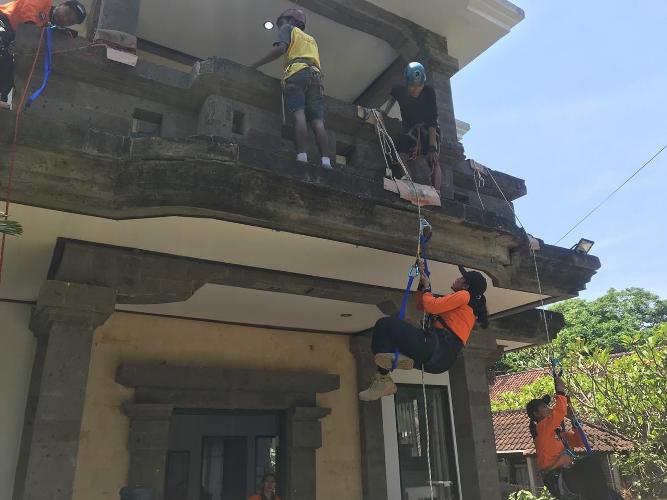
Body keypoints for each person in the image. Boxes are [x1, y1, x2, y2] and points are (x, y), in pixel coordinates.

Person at [359, 262, 489, 401]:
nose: (457, 278)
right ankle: (399, 363)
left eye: (461, 278)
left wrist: (427, 287)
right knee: (393, 339)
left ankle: (383, 379)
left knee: (384, 325)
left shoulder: (464, 296)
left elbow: (431, 306)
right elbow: (422, 305)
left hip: (435, 347)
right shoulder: (466, 306)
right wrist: (423, 284)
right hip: (440, 361)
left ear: (465, 286)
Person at [251, 8, 332, 169]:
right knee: (317, 121)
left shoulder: (288, 28)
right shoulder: (311, 39)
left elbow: (280, 49)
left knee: (298, 114)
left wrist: (255, 65)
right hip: (316, 78)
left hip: (297, 73)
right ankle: (326, 161)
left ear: (292, 21)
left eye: (281, 22)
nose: (279, 26)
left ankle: (302, 157)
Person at [526, 377, 615, 500]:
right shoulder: (541, 428)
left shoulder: (559, 434)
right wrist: (560, 390)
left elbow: (579, 442)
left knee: (602, 484)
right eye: (544, 407)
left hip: (568, 474)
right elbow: (560, 410)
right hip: (557, 478)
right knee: (591, 462)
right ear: (536, 414)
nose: (549, 409)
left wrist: (573, 422)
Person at [0, 0, 86, 103]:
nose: (65, 19)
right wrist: (31, 27)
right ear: (61, 5)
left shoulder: (48, 27)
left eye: (70, 22)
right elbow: (29, 9)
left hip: (12, 38)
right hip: (3, 21)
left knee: (13, 68)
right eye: (66, 13)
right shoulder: (44, 2)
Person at [381, 62, 441, 190]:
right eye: (412, 86)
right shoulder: (399, 90)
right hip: (409, 130)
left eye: (419, 86)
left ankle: (437, 192)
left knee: (433, 160)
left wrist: (432, 148)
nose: (415, 90)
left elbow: (432, 121)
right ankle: (409, 182)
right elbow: (393, 98)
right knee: (400, 155)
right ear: (407, 83)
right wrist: (384, 113)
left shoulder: (429, 93)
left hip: (427, 129)